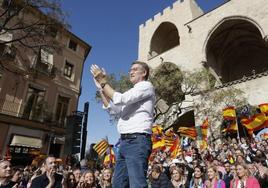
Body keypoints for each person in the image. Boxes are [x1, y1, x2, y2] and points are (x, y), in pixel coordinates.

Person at [91, 61, 155, 188]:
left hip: (137, 141)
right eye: (130, 69)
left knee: (137, 184)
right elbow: (113, 109)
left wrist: (104, 82)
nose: (131, 72)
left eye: (135, 69)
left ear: (144, 72)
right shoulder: (133, 92)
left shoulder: (146, 86)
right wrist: (101, 88)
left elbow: (120, 99)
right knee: (118, 184)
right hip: (124, 143)